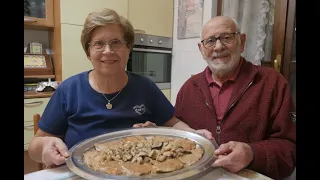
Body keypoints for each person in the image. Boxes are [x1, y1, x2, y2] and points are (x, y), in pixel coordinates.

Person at [28, 8, 212, 168]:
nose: (108, 51)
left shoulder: (145, 87)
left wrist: (194, 134)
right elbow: (34, 147)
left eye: (116, 42)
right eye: (99, 44)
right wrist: (45, 147)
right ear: (88, 51)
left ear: (128, 48)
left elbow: (174, 123)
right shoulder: (69, 90)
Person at [173, 16, 296, 180]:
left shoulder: (273, 83)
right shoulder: (188, 88)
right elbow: (178, 138)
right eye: (210, 41)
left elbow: (289, 150)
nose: (218, 47)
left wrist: (251, 154)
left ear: (242, 41)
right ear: (201, 49)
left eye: (226, 37)